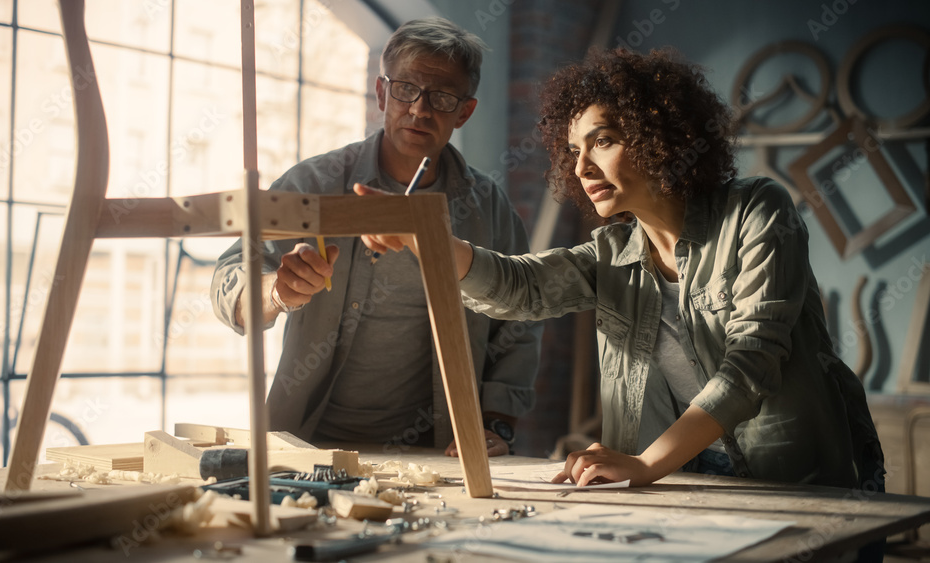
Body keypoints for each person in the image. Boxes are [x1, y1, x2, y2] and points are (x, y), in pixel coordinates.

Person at [357, 47, 884, 491]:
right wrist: (423, 237)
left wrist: (644, 463)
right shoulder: (613, 252)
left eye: (603, 141)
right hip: (684, 483)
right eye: (573, 150)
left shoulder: (757, 210)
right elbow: (521, 287)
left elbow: (751, 365)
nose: (582, 168)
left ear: (662, 134)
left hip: (795, 481)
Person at [210, 17, 541, 456]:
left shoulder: (488, 208)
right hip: (308, 441)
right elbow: (227, 279)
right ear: (382, 92)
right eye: (406, 89)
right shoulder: (316, 182)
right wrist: (276, 292)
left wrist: (498, 423)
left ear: (464, 111)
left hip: (436, 448)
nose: (420, 109)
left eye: (441, 97)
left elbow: (520, 318)